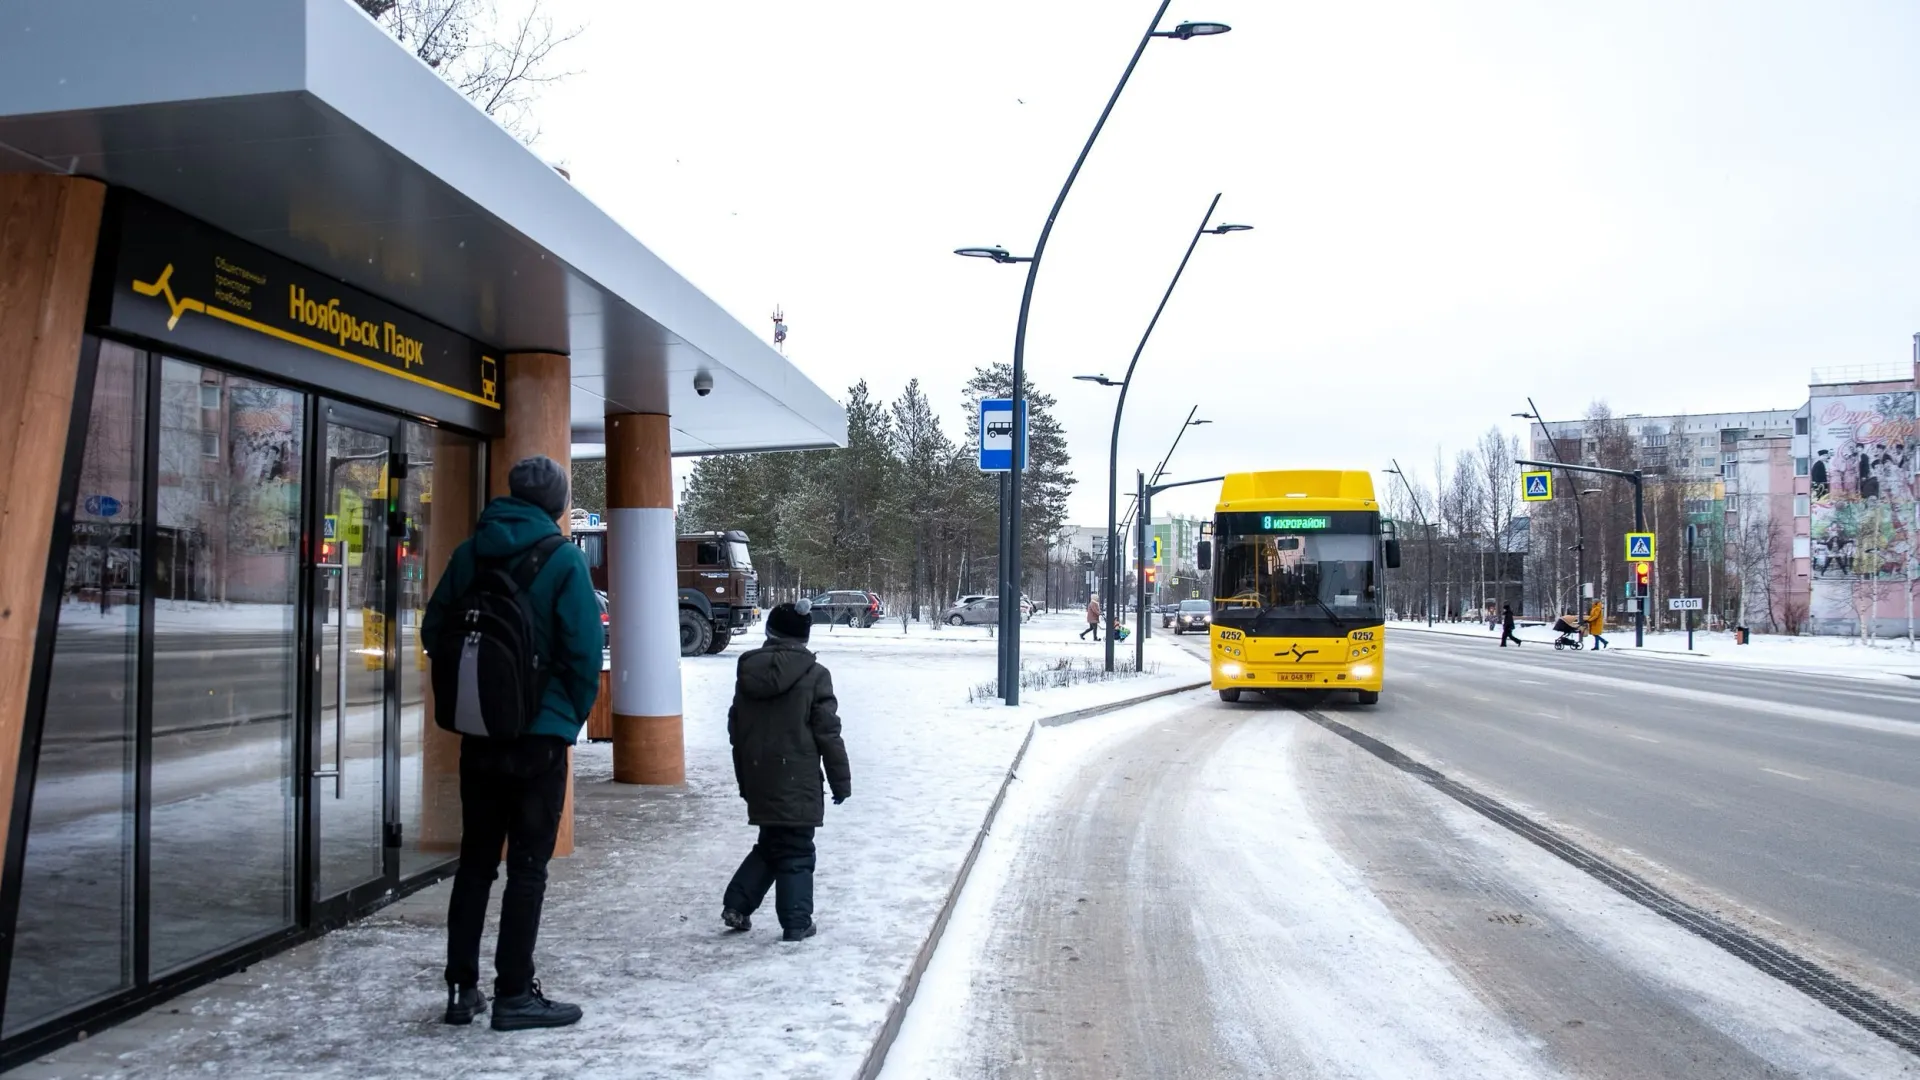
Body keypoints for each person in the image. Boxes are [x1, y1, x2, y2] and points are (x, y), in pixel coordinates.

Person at [424, 455, 602, 1032]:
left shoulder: (469, 553)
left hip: (480, 735)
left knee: (476, 863)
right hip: (538, 743)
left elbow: (434, 631)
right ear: (556, 504)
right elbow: (582, 654)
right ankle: (514, 995)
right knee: (528, 868)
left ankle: (460, 990)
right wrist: (561, 716)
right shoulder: (563, 560)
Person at [723, 599, 852, 942]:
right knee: (796, 848)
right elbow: (828, 732)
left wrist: (746, 776)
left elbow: (736, 726)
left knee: (772, 842)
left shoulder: (748, 669)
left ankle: (737, 904)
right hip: (797, 778)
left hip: (758, 773)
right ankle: (796, 922)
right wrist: (841, 781)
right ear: (805, 638)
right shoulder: (815, 675)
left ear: (769, 632)